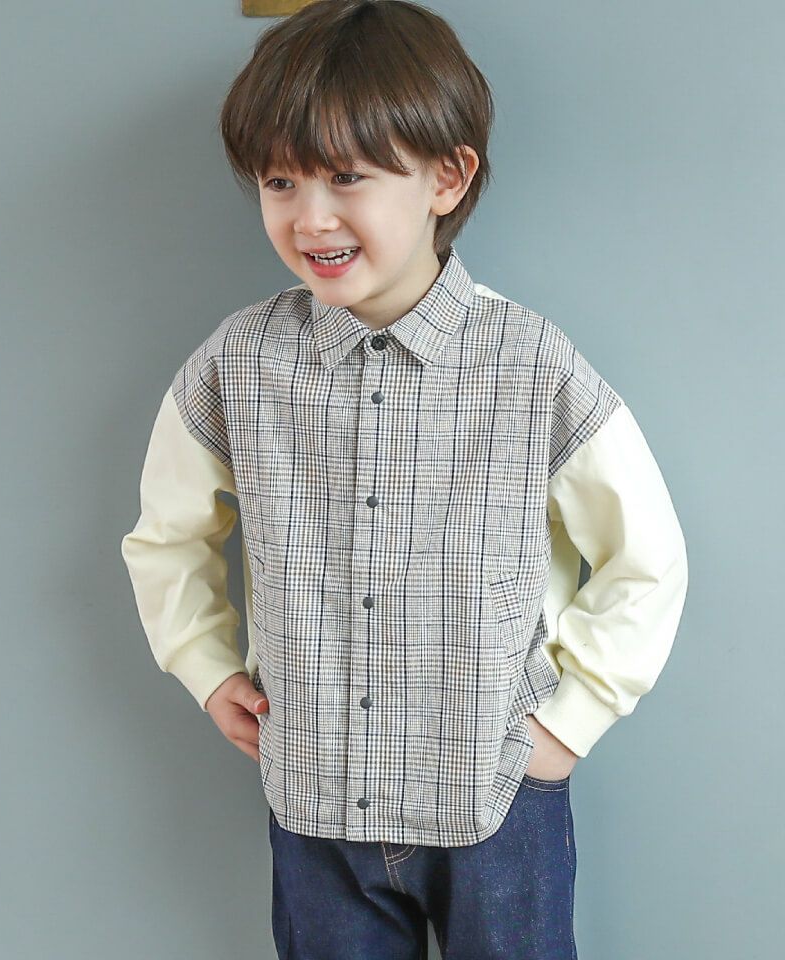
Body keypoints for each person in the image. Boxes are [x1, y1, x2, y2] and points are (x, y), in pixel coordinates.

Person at [120, 2, 689, 957]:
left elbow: (648, 557)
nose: (310, 216)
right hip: (315, 802)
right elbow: (166, 537)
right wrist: (205, 666)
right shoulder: (238, 363)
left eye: (347, 176)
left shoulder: (531, 364)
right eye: (279, 180)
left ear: (445, 177)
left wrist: (565, 728)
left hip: (496, 799)